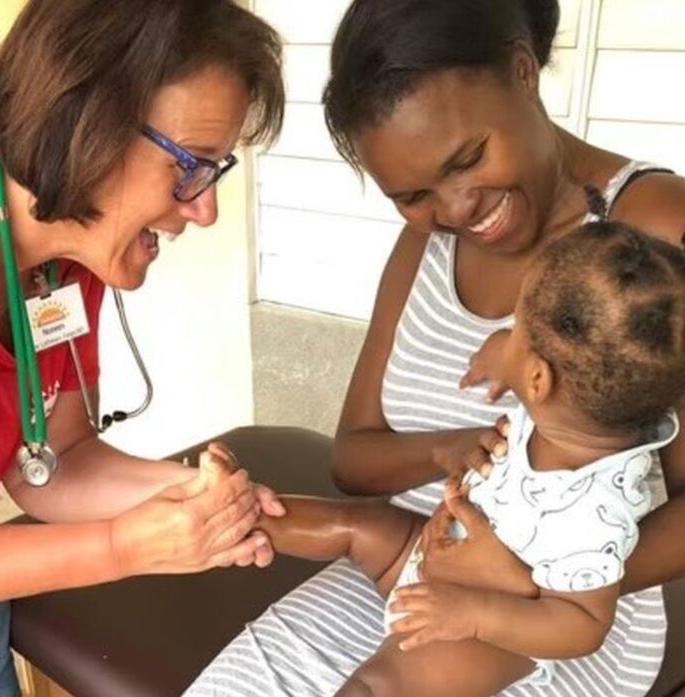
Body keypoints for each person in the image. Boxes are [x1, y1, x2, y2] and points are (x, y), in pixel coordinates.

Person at [185, 0, 685, 695]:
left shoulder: (658, 236)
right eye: (413, 192)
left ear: (522, 71)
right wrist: (447, 451)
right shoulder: (426, 241)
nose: (454, 211)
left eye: (468, 158)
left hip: (560, 619)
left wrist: (524, 576)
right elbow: (356, 458)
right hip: (423, 555)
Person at [0, 1, 286, 695]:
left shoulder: (66, 241)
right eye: (191, 166)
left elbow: (56, 459)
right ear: (87, 126)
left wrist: (194, 500)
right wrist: (127, 546)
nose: (205, 208)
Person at [196, 220, 685, 696]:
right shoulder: (581, 408)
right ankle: (244, 514)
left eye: (515, 326)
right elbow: (539, 360)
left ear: (538, 379)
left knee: (379, 685)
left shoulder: (597, 515)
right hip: (433, 555)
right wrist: (506, 355)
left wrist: (472, 614)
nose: (504, 333)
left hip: (489, 631)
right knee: (358, 526)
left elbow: (582, 625)